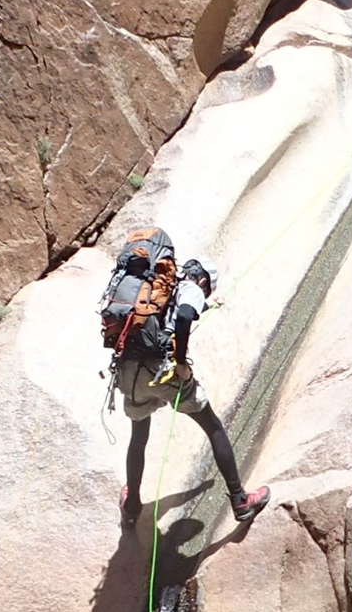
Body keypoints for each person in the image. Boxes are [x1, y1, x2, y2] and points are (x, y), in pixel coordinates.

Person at [98, 228, 268, 532]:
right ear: (202, 280)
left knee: (139, 436)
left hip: (128, 371)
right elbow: (185, 315)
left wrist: (208, 304)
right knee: (213, 426)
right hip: (162, 372)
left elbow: (178, 308)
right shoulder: (189, 288)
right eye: (206, 290)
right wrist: (179, 364)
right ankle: (241, 501)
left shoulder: (154, 286)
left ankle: (132, 506)